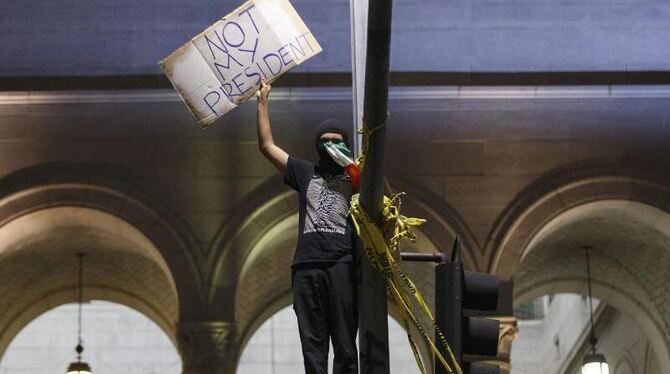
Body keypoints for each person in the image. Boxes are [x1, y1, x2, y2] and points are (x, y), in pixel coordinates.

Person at [255, 81, 358, 374]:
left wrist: (352, 167)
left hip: (341, 265)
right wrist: (262, 101)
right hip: (306, 267)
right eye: (324, 141)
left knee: (345, 349)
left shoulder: (355, 176)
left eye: (336, 141)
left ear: (346, 144)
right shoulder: (304, 171)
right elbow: (267, 146)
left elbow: (380, 197)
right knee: (313, 351)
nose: (330, 146)